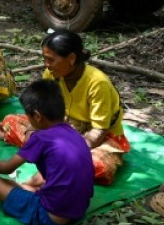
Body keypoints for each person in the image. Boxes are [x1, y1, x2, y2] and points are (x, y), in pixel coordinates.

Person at [0, 80, 94, 225]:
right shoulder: (73, 132)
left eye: (28, 117)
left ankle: (23, 194)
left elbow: (7, 168)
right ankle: (24, 191)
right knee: (37, 179)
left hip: (52, 215)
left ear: (37, 116)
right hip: (79, 210)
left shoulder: (40, 138)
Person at [42, 30, 130, 186]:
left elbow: (99, 130)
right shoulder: (50, 74)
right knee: (13, 121)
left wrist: (71, 149)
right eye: (45, 59)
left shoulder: (97, 83)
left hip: (102, 138)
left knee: (98, 166)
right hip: (68, 127)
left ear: (71, 58)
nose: (47, 65)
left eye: (51, 60)